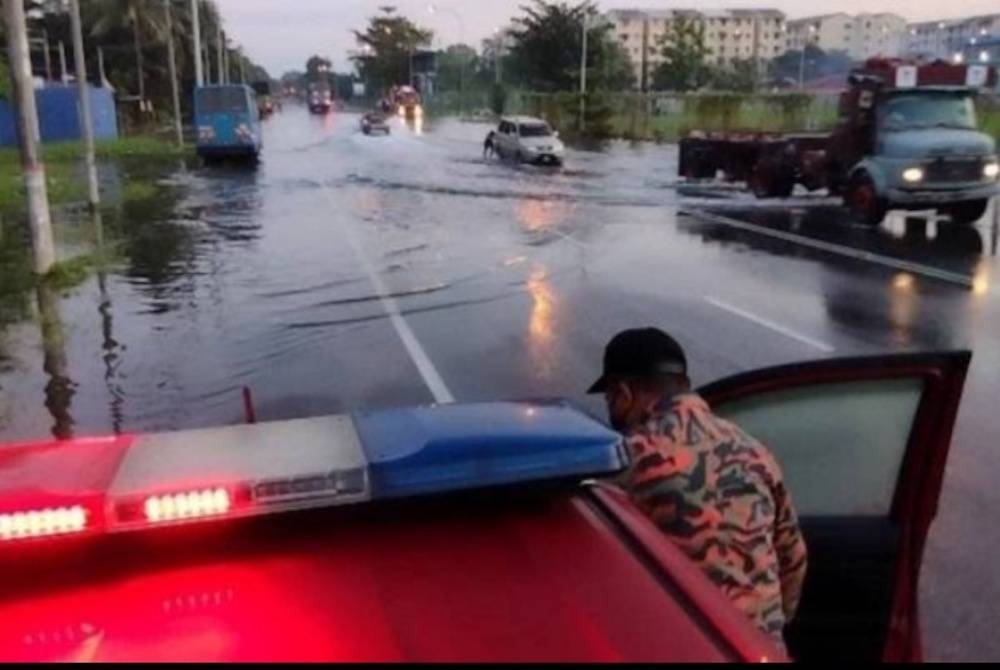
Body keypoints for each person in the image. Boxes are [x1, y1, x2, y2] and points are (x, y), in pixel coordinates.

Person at [588, 328, 808, 651]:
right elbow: (793, 557)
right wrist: (768, 628)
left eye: (610, 399)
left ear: (624, 394)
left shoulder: (630, 460)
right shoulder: (754, 451)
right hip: (760, 651)